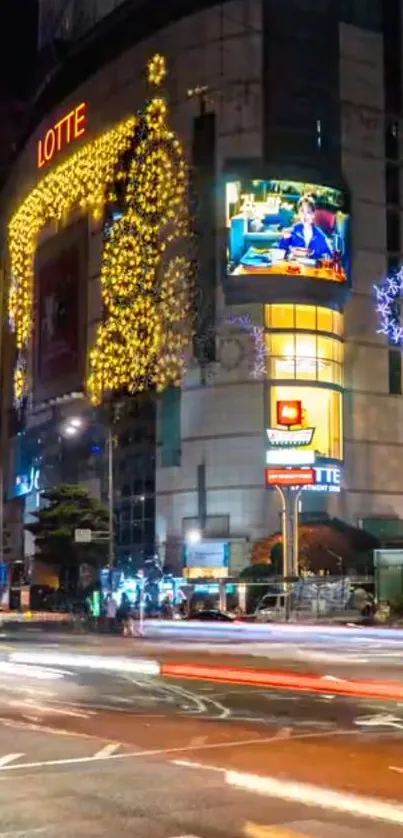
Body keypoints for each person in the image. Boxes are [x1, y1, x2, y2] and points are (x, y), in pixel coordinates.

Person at [278, 196, 333, 261]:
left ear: (313, 215)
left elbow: (330, 256)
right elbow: (280, 251)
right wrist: (285, 240)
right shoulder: (293, 231)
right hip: (294, 268)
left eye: (308, 212)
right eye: (302, 211)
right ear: (298, 213)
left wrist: (316, 256)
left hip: (313, 270)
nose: (305, 215)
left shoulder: (320, 236)